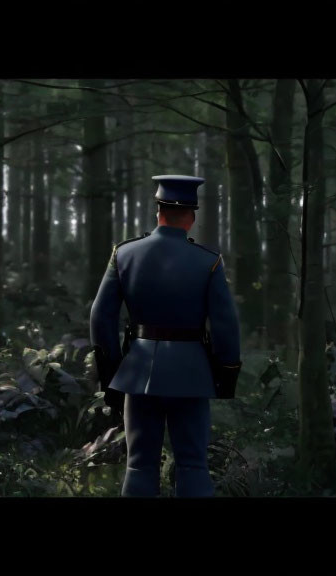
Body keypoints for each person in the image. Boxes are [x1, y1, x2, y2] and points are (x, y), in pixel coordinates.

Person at [89, 174, 241, 497]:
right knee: (193, 465)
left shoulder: (124, 254)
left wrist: (114, 374)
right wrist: (225, 376)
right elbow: (226, 325)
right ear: (192, 216)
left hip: (139, 371)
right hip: (192, 374)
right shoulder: (209, 262)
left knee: (140, 465)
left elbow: (101, 317)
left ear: (158, 211)